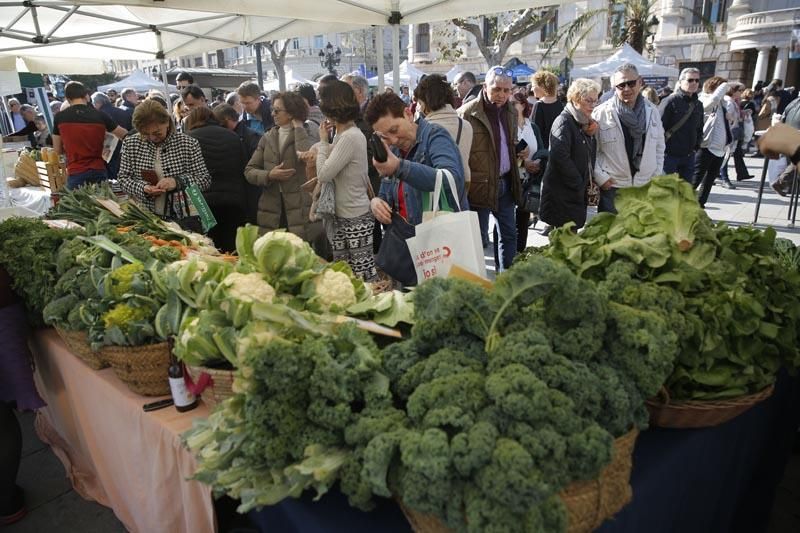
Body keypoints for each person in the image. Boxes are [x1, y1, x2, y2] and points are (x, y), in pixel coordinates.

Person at [365, 91, 466, 235]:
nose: (393, 140)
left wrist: (399, 167)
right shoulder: (393, 150)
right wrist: (376, 202)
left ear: (408, 114)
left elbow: (452, 180)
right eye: (385, 137)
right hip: (406, 242)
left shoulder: (435, 135)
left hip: (441, 242)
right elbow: (385, 192)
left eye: (394, 130)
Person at [244, 92, 325, 254]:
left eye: (277, 110)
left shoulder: (309, 132)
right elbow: (249, 171)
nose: (272, 114)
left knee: (303, 258)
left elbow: (306, 157)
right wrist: (269, 175)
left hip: (302, 209)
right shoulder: (267, 137)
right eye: (272, 110)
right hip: (272, 209)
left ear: (291, 112)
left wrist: (298, 128)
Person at [458, 66, 521, 271]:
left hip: (505, 183)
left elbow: (510, 143)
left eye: (506, 90)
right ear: (485, 87)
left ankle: (507, 283)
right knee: (478, 240)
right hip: (478, 187)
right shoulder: (466, 114)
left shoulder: (511, 111)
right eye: (496, 89)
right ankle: (478, 287)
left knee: (509, 235)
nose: (501, 95)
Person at [313, 81, 376, 280]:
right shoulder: (344, 134)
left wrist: (323, 142)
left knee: (362, 277)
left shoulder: (350, 136)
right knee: (345, 276)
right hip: (344, 214)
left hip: (354, 217)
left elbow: (323, 174)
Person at [117, 100, 211, 218]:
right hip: (147, 216)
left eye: (157, 133)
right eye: (145, 133)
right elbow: (123, 178)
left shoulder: (188, 143)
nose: (151, 138)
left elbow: (204, 180)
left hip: (185, 216)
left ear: (167, 122)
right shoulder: (131, 143)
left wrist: (176, 182)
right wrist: (143, 188)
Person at [592, 63, 665, 213]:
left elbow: (659, 146)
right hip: (613, 187)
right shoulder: (601, 113)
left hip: (644, 185)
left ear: (640, 82)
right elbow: (590, 151)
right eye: (621, 85)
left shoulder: (652, 111)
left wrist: (656, 175)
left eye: (631, 83)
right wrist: (601, 177)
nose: (627, 89)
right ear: (615, 88)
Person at [184, 107, 252, 252]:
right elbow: (244, 166)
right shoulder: (232, 136)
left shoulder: (188, 139)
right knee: (233, 245)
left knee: (209, 245)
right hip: (234, 199)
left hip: (203, 200)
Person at [539, 78, 599, 231]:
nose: (593, 106)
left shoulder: (583, 122)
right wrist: (579, 182)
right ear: (576, 99)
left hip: (571, 195)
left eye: (595, 101)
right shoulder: (564, 121)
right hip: (562, 196)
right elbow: (560, 157)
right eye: (589, 101)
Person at [53, 82, 127, 189]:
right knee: (102, 204)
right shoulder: (100, 115)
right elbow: (124, 134)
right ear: (86, 96)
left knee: (78, 204)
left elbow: (57, 150)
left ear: (67, 99)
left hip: (75, 170)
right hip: (98, 169)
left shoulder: (59, 117)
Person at [342, 73, 382, 253]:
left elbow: (375, 154)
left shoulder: (372, 116)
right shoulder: (349, 117)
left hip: (370, 186)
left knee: (371, 236)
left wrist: (344, 161)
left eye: (344, 89)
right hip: (355, 189)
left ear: (357, 91)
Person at [413, 74, 473, 190]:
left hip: (433, 189)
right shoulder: (466, 125)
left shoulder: (423, 128)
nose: (419, 107)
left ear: (426, 101)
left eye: (420, 102)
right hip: (462, 186)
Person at [512, 92, 548, 250]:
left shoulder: (531, 126)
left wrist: (537, 162)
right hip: (513, 179)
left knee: (523, 221)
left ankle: (520, 253)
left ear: (523, 105)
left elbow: (541, 149)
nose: (511, 106)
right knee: (507, 223)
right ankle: (507, 259)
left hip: (530, 180)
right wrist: (523, 163)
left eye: (514, 103)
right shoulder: (506, 126)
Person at [659, 67, 704, 183]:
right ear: (680, 82)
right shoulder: (670, 101)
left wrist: (696, 147)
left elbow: (699, 128)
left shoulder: (698, 104)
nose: (694, 83)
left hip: (689, 156)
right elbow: (658, 129)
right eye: (690, 80)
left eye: (697, 80)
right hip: (669, 156)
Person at [693, 76, 731, 207]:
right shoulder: (704, 98)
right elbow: (710, 103)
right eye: (723, 88)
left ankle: (700, 206)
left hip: (719, 149)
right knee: (695, 180)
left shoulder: (721, 104)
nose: (726, 91)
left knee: (708, 182)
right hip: (706, 147)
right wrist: (724, 85)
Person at [719, 82, 752, 184]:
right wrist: (734, 119)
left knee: (726, 156)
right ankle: (724, 178)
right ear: (733, 91)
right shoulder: (729, 102)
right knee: (726, 155)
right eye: (740, 90)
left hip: (732, 131)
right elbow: (726, 117)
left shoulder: (734, 101)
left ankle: (720, 176)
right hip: (730, 132)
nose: (741, 93)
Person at [530, 70, 564, 149]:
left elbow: (534, 133)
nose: (531, 89)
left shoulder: (539, 105)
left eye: (533, 85)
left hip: (543, 151)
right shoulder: (559, 104)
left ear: (541, 86)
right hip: (557, 149)